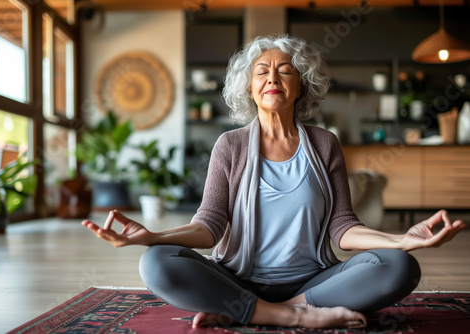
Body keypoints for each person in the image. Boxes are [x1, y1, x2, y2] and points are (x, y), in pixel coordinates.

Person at [82, 35, 467, 330]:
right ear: (249, 88)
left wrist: (402, 240)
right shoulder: (229, 145)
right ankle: (289, 315)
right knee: (156, 263)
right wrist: (151, 236)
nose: (272, 78)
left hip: (316, 281)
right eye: (261, 71)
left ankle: (264, 310)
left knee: (400, 266)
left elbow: (343, 228)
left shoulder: (324, 143)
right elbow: (208, 227)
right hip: (239, 278)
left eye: (285, 70)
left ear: (301, 86)